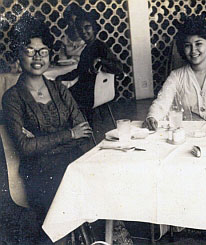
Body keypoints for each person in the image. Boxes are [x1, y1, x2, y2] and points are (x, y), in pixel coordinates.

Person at [3, 13, 92, 243]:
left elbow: (85, 132)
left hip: (70, 162)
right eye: (29, 51)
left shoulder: (60, 89)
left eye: (43, 51)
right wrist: (69, 134)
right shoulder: (12, 98)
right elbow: (25, 148)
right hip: (40, 173)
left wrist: (43, 140)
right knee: (66, 203)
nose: (37, 58)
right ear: (18, 54)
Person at [144, 15, 206, 131]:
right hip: (188, 132)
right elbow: (162, 103)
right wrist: (153, 116)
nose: (193, 50)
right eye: (188, 46)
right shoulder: (176, 76)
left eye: (198, 44)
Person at [55, 11, 123, 124]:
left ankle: (76, 127)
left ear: (94, 28)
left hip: (91, 94)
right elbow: (79, 71)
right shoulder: (87, 49)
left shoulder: (100, 47)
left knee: (62, 95)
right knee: (62, 90)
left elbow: (119, 68)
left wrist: (101, 60)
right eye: (80, 29)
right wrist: (61, 77)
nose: (83, 31)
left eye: (87, 27)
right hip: (94, 92)